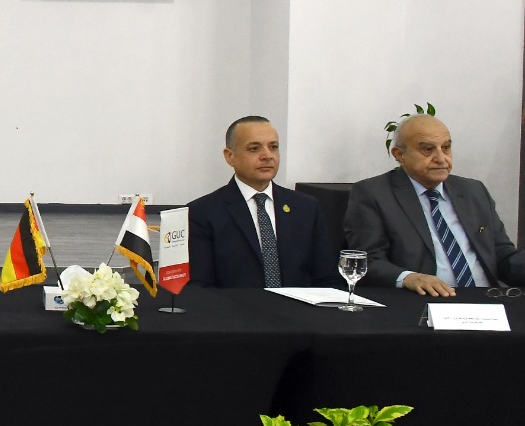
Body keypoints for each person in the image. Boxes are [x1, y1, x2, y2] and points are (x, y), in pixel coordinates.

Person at [345, 114, 525, 295]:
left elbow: (502, 254)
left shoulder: (474, 191)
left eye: (446, 148)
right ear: (399, 154)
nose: (441, 158)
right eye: (428, 149)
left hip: (488, 298)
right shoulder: (374, 193)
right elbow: (367, 260)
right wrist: (409, 278)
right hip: (426, 300)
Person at [187, 116, 335, 288]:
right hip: (234, 306)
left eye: (273, 147)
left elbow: (328, 279)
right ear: (230, 156)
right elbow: (199, 289)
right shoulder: (202, 212)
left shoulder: (306, 208)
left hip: (297, 305)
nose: (267, 156)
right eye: (254, 149)